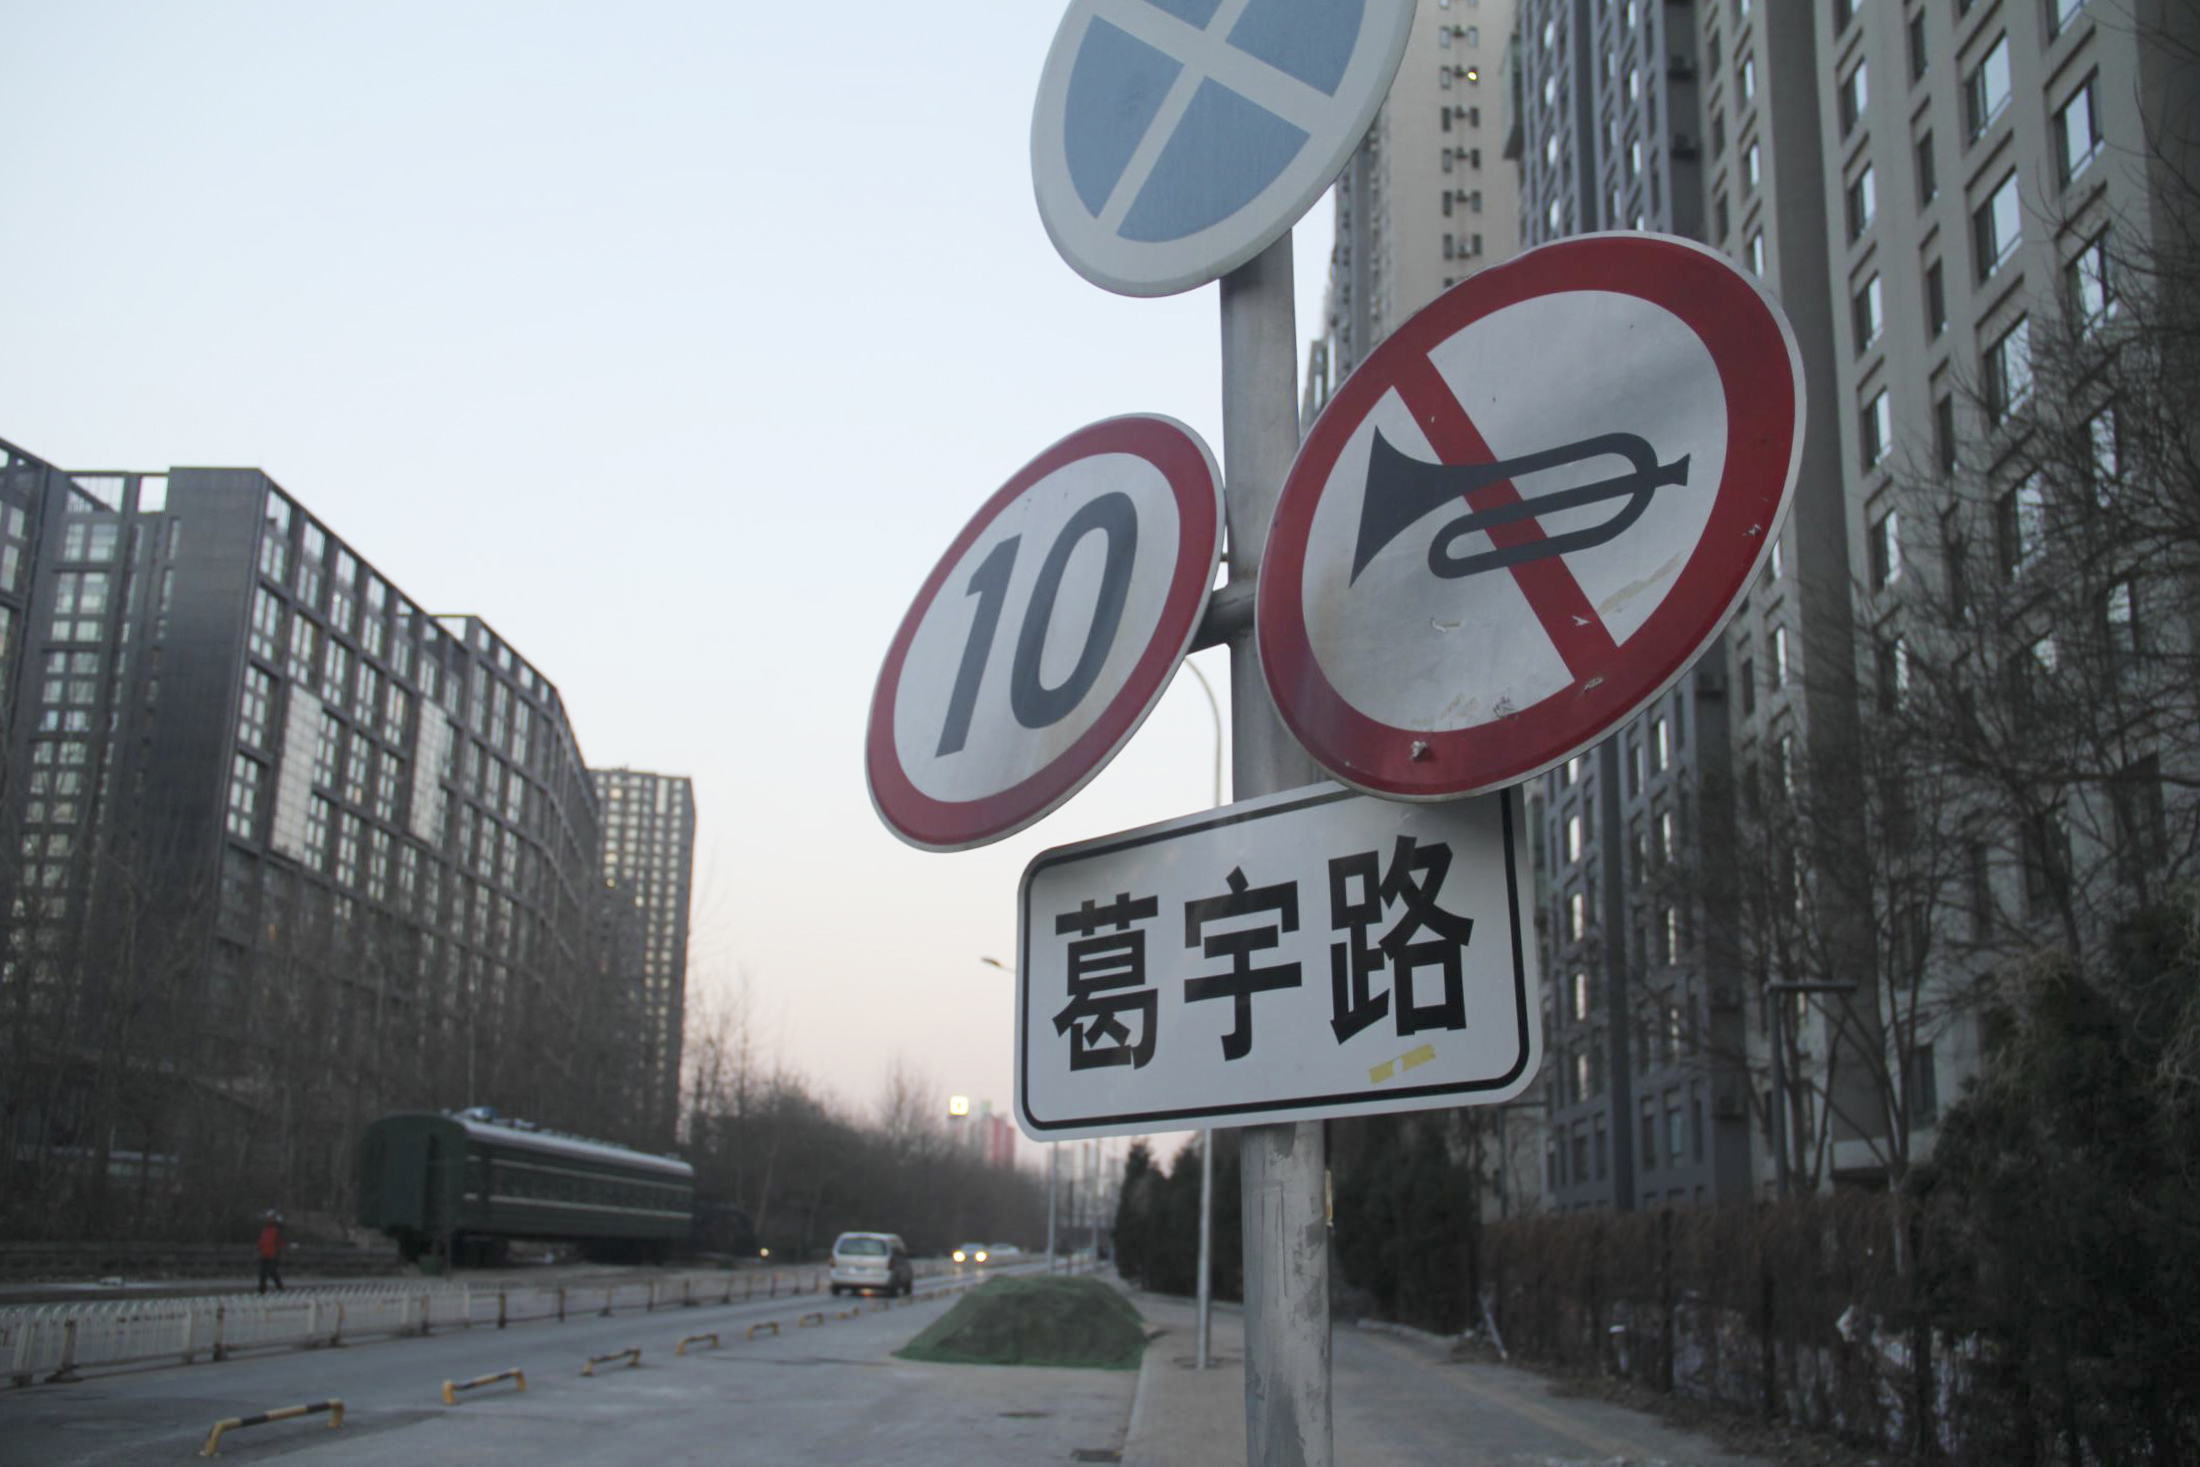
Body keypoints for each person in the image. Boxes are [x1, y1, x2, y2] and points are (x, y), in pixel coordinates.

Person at [256, 1211, 285, 1294]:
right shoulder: (265, 1229)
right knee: (262, 1273)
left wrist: (279, 1251)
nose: (270, 1219)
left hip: (273, 1254)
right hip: (265, 1253)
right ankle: (262, 1290)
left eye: (271, 1217)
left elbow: (280, 1242)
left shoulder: (277, 1229)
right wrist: (259, 1248)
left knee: (272, 1271)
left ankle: (280, 1288)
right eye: (269, 1217)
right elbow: (262, 1240)